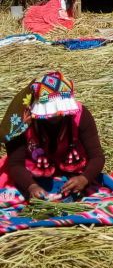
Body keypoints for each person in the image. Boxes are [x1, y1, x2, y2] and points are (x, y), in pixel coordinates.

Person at [0, 71, 105, 199]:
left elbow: (97, 156)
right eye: (49, 113)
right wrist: (31, 186)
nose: (55, 117)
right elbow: (16, 164)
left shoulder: (80, 116)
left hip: (72, 171)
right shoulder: (22, 121)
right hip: (33, 174)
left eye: (61, 113)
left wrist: (84, 178)